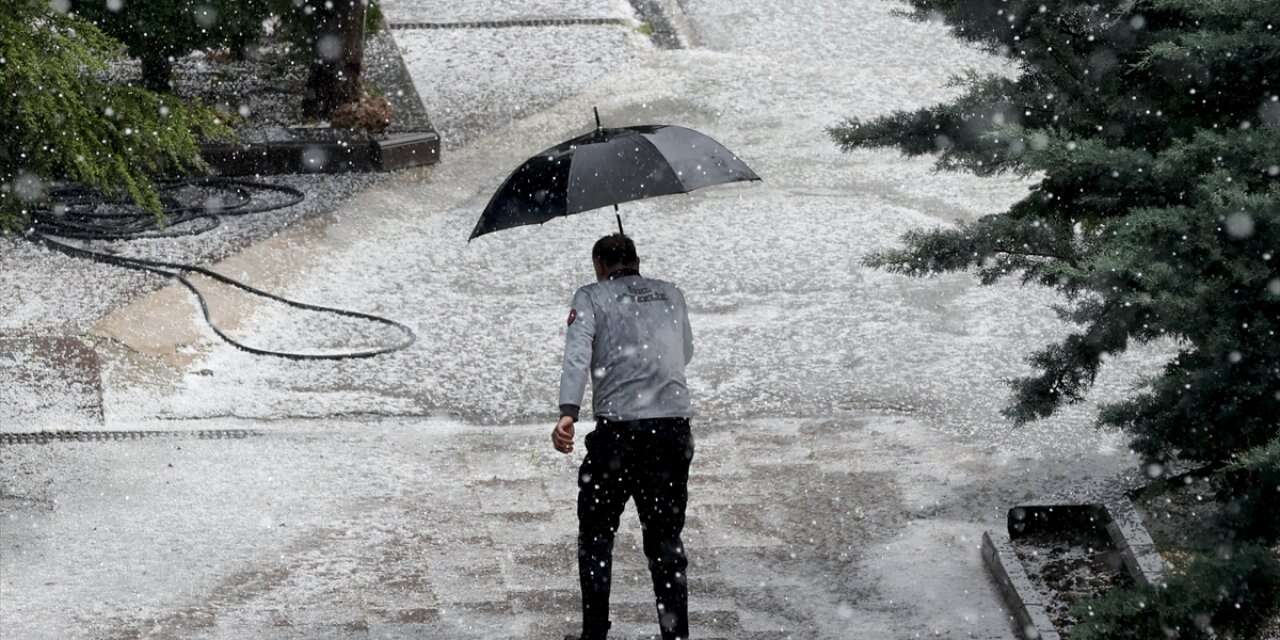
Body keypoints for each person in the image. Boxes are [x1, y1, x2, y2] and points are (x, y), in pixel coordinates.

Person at [552, 233, 696, 640]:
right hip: (671, 431)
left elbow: (577, 356)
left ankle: (595, 632)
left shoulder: (591, 297)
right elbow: (684, 351)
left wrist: (568, 413)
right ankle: (676, 634)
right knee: (666, 541)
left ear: (600, 264)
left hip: (618, 435)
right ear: (636, 259)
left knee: (596, 534)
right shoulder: (671, 294)